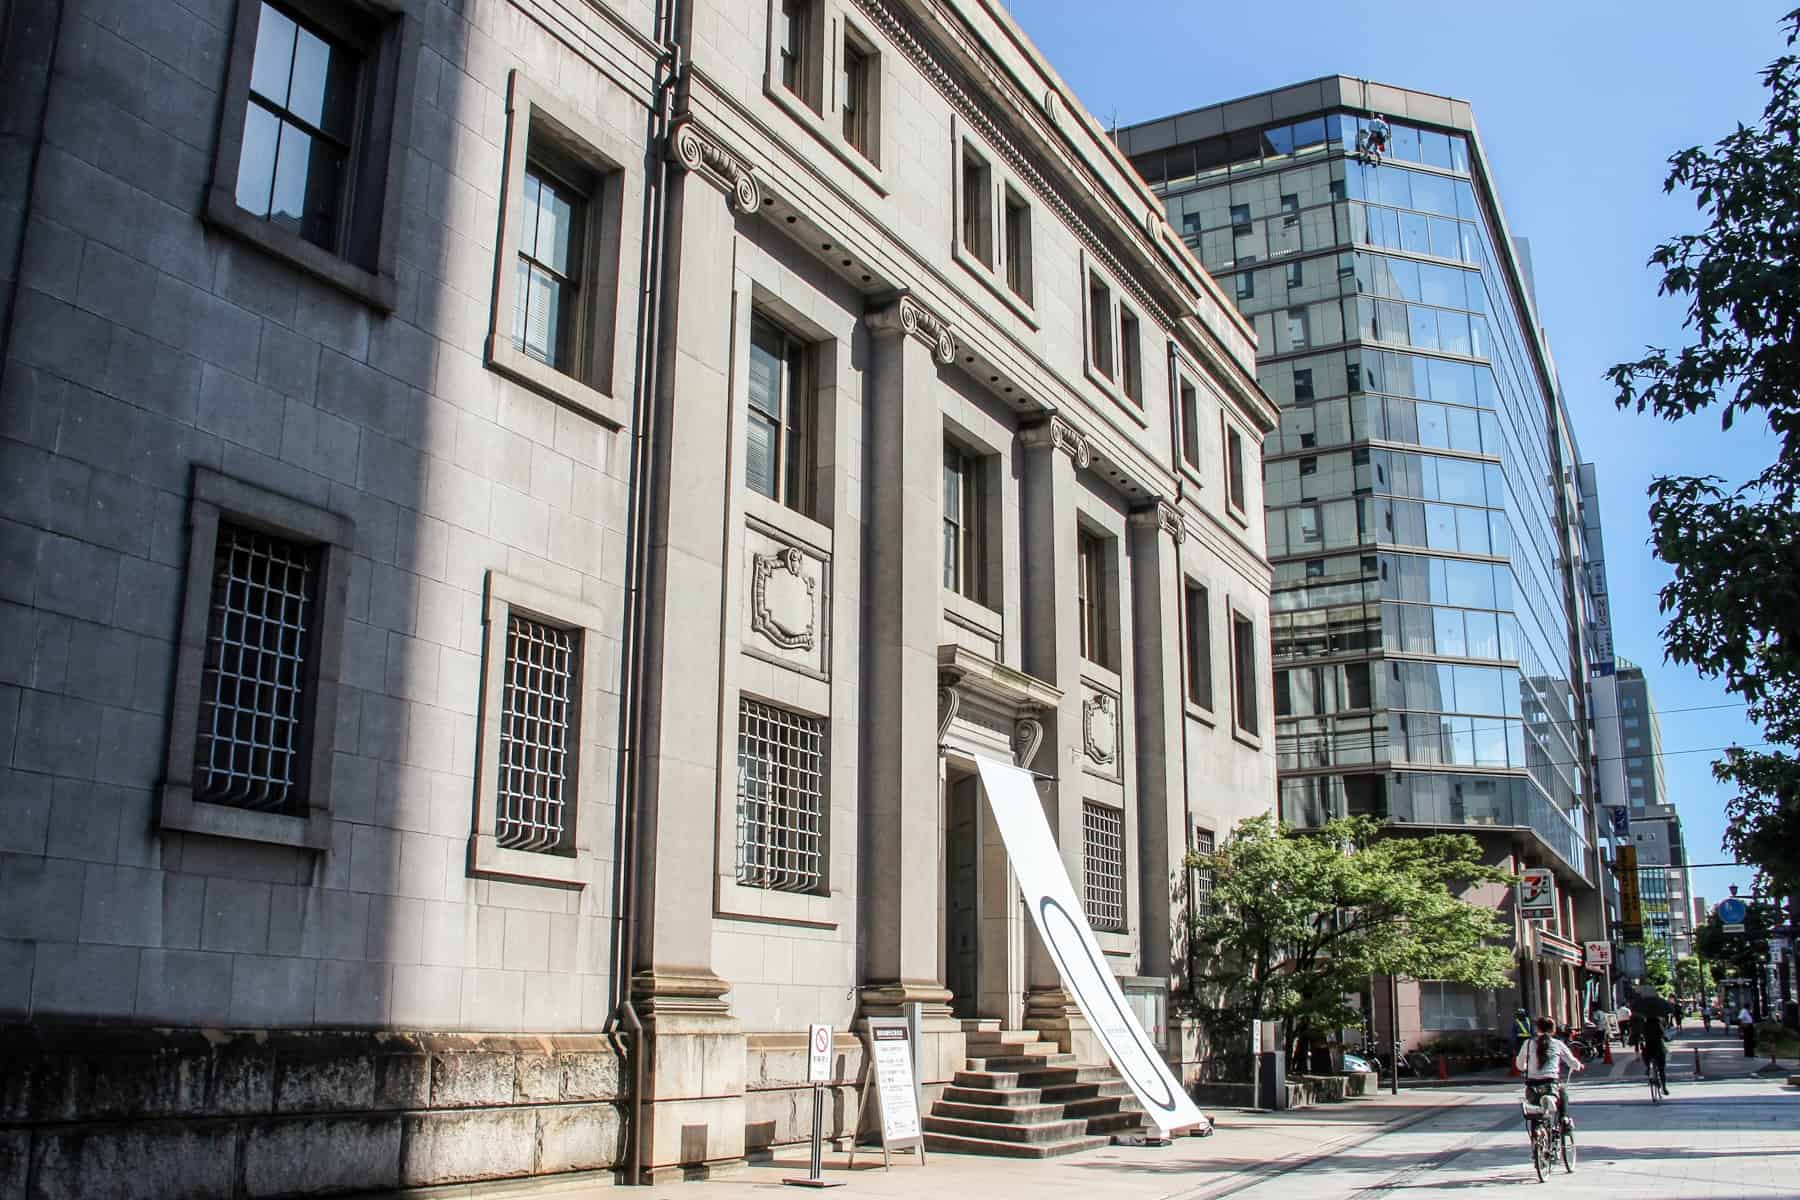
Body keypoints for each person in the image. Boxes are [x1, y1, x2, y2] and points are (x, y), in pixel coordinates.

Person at [1516, 1016, 1584, 1131]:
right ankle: (1564, 1119)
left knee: (1534, 1103)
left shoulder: (1527, 1043)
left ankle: (1537, 1128)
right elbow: (1571, 1061)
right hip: (1551, 1083)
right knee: (1563, 1092)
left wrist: (1524, 1068)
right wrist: (1578, 1066)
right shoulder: (1558, 1044)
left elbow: (1520, 1064)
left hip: (1532, 1084)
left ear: (1537, 1029)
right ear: (1553, 1030)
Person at [1637, 1011, 1669, 1095]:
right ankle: (1664, 1087)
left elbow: (1641, 1035)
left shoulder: (1644, 1024)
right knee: (1661, 1069)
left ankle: (1648, 1068)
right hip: (1659, 1047)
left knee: (1645, 1055)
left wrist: (1641, 1040)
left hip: (1649, 1048)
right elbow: (1662, 1034)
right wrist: (1665, 1037)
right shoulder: (1658, 1023)